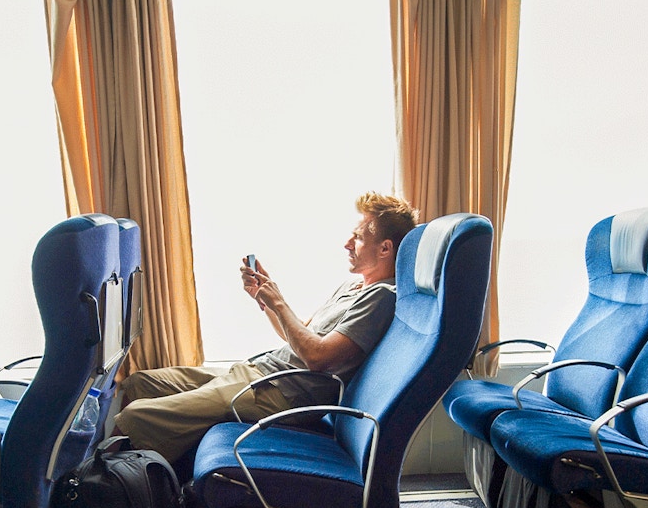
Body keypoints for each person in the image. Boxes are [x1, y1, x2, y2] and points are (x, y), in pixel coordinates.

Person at [112, 192, 419, 464]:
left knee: (136, 418)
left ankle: (110, 492)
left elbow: (317, 358)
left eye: (358, 237)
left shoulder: (381, 297)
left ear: (385, 249)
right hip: (260, 373)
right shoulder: (352, 286)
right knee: (140, 384)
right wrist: (264, 298)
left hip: (279, 394)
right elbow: (299, 336)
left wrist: (280, 302)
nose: (347, 243)